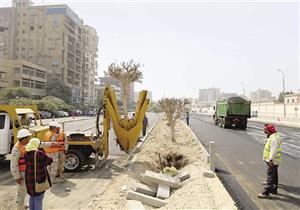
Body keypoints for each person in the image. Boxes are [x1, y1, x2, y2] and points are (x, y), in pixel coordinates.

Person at [25, 138, 53, 210]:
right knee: (38, 198)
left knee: (32, 197)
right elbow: (49, 161)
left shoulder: (26, 153)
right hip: (38, 179)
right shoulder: (39, 153)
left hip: (29, 179)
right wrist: (43, 151)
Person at [258, 124, 282, 198]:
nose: (264, 131)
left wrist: (270, 159)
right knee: (274, 175)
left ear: (269, 131)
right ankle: (274, 189)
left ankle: (266, 192)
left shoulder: (273, 139)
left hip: (272, 160)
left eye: (265, 130)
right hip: (275, 160)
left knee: (270, 176)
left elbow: (273, 150)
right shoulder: (274, 136)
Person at [10, 129, 31, 210]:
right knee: (21, 192)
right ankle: (20, 207)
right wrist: (17, 177)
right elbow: (13, 165)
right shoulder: (16, 149)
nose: (29, 139)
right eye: (28, 138)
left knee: (24, 190)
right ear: (24, 138)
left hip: (25, 172)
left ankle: (22, 205)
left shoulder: (23, 146)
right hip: (21, 174)